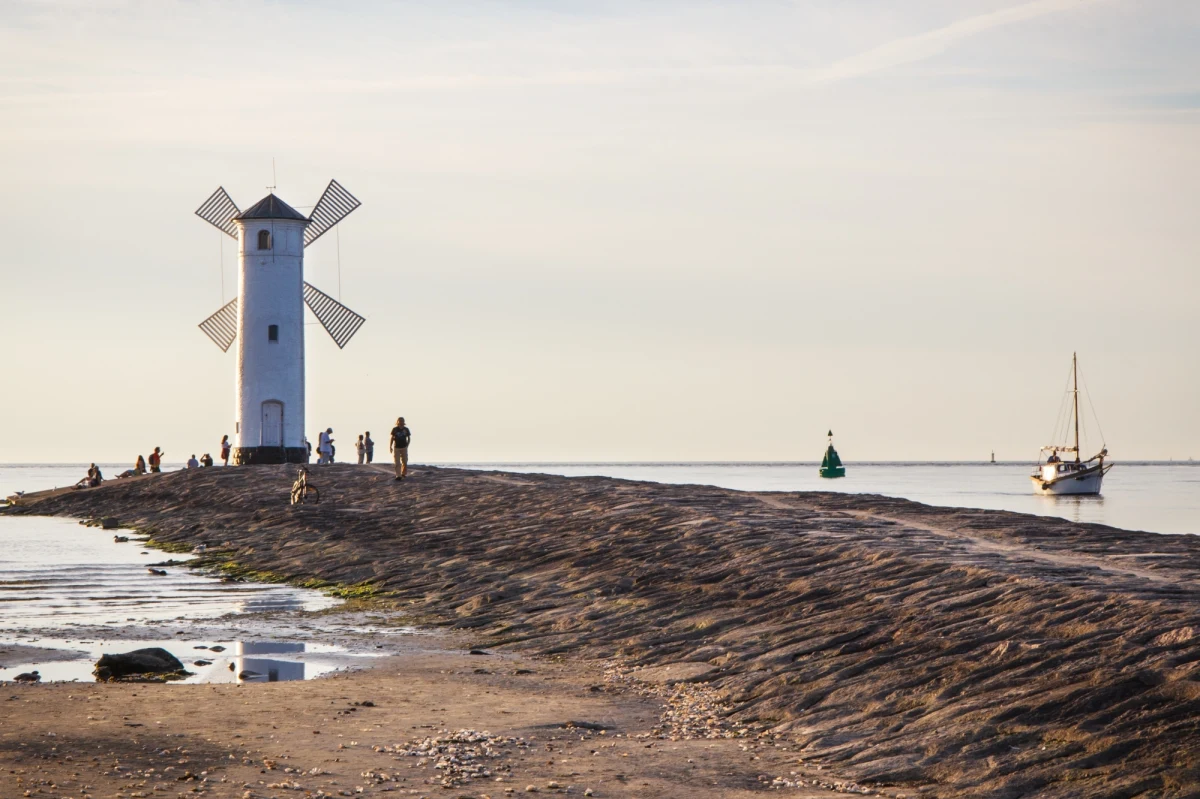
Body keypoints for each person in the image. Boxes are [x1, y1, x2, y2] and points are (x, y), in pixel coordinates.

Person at [389, 417, 411, 481]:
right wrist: (390, 446)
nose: (401, 422)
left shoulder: (406, 429)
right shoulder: (395, 429)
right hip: (396, 447)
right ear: (397, 422)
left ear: (404, 422)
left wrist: (407, 445)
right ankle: (398, 475)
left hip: (404, 447)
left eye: (402, 421)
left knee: (404, 461)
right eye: (400, 421)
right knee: (397, 462)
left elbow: (409, 438)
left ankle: (403, 473)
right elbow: (392, 438)